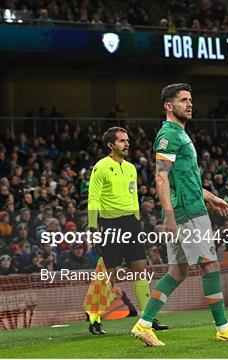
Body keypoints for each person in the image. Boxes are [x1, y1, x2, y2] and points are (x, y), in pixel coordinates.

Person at [131, 83, 228, 346]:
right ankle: (223, 327)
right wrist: (169, 216)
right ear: (168, 106)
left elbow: (184, 178)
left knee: (177, 271)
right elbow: (161, 177)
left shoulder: (180, 134)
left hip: (189, 206)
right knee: (210, 263)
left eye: (190, 100)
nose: (189, 104)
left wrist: (210, 197)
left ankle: (144, 324)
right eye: (183, 100)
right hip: (187, 211)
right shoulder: (169, 134)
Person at [87, 127, 165, 335]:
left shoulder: (131, 168)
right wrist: (93, 227)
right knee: (108, 276)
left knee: (141, 270)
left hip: (131, 225)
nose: (126, 144)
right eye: (121, 141)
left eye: (127, 140)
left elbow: (133, 197)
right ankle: (94, 320)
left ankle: (147, 319)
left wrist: (138, 221)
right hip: (110, 226)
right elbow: (93, 198)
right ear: (111, 145)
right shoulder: (101, 167)